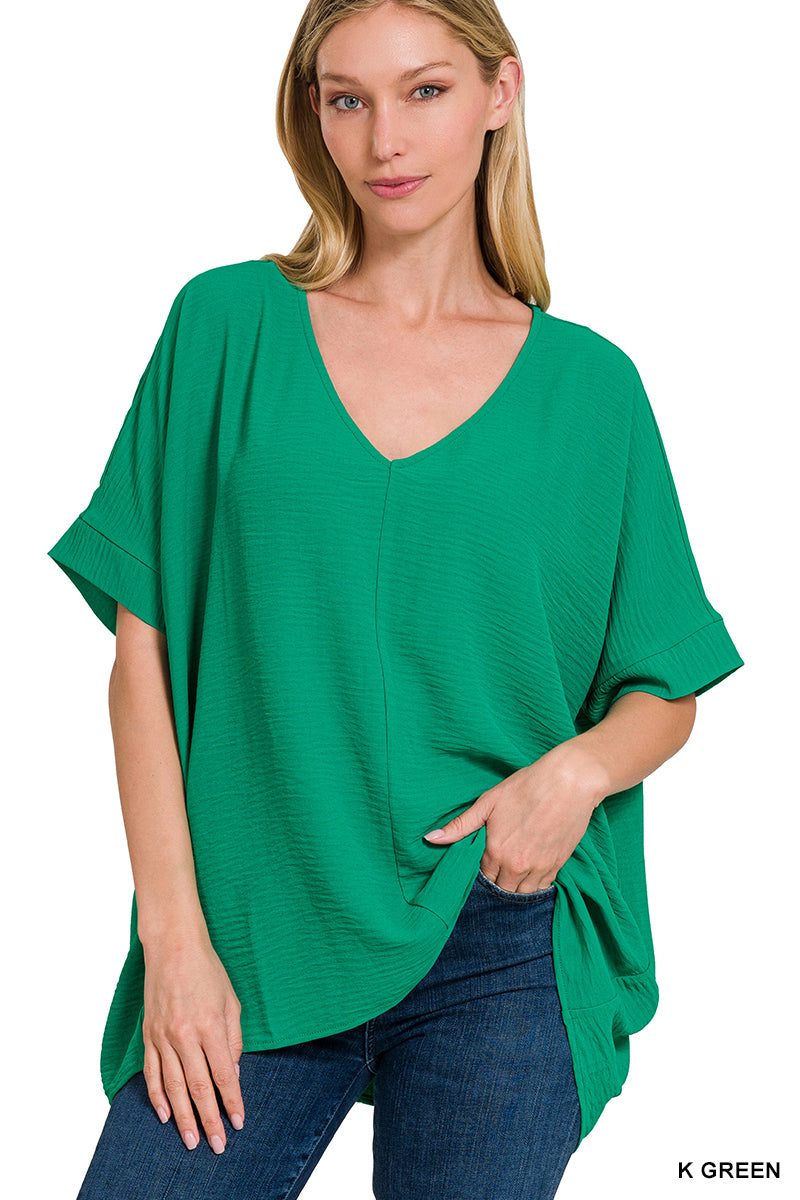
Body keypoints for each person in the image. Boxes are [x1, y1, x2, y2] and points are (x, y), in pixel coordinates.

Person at [46, 1, 745, 1197]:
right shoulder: (226, 326)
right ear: (312, 115)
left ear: (498, 94)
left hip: (500, 929)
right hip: (254, 925)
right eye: (347, 99)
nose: (384, 141)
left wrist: (571, 778)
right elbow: (140, 653)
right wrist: (173, 941)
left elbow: (661, 685)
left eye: (425, 91)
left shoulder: (591, 389)